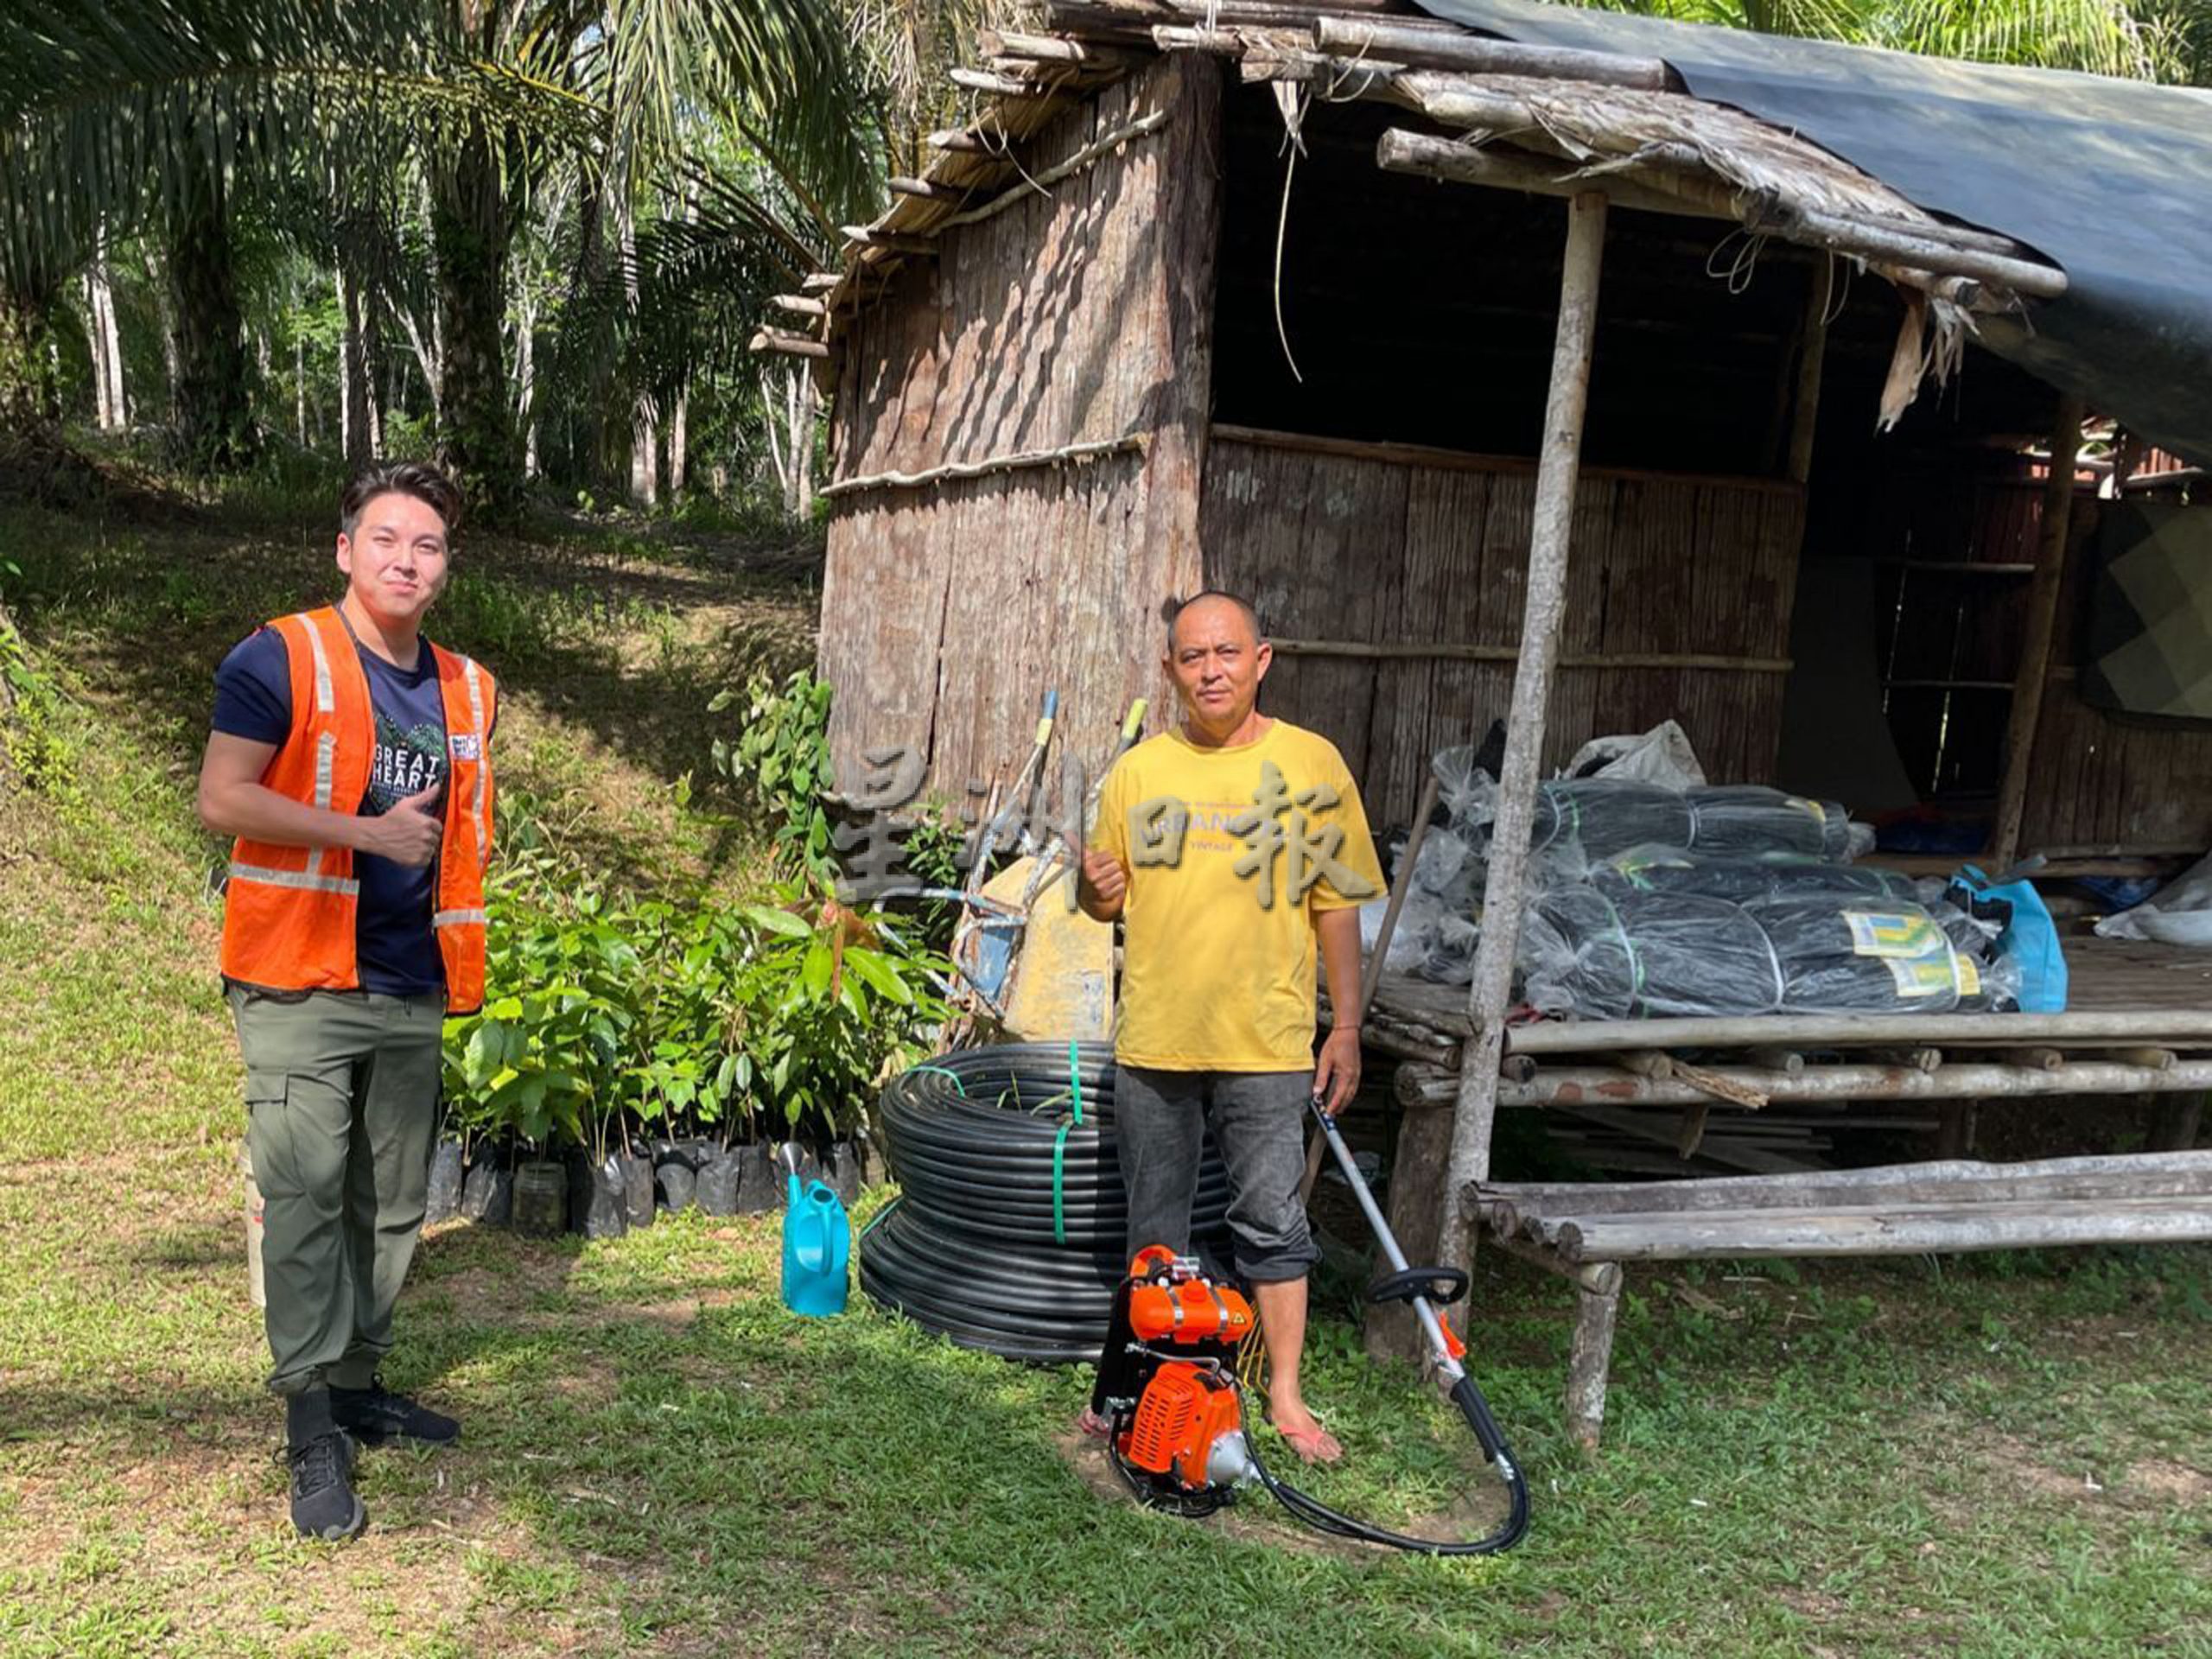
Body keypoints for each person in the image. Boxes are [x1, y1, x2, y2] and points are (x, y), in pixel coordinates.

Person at [196, 461, 497, 1541]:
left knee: (393, 1199)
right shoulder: (281, 656)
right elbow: (221, 797)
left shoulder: (469, 686)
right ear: (344, 550)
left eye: (427, 545)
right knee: (308, 1192)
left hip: (411, 975)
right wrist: (366, 833)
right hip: (298, 975)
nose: (406, 560)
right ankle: (310, 1419)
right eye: (386, 539)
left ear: (445, 566)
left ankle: (360, 1381)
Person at [1077, 590, 1382, 1464]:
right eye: (1192, 657)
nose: (1210, 671)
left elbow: (1336, 908)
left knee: (1272, 1222)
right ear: (1169, 670)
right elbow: (1104, 902)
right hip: (1157, 1039)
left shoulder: (1311, 764)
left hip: (1267, 1042)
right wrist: (1093, 892)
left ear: (1261, 660)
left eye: (1226, 653)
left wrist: (1346, 1027)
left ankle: (1284, 1394)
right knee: (1154, 1230)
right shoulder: (1138, 774)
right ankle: (1139, 1388)